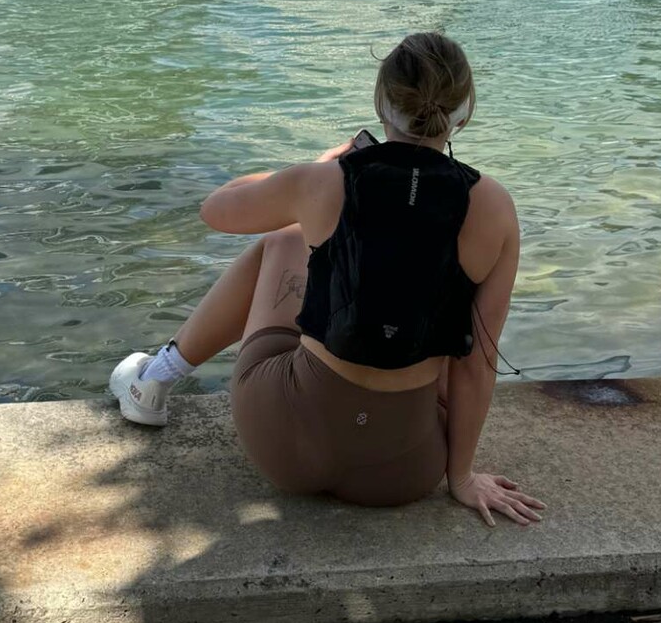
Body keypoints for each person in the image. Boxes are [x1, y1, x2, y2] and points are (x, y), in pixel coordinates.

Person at [109, 31, 543, 527]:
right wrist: (460, 477)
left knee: (285, 239)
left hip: (284, 444)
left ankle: (154, 380)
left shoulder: (324, 181)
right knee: (433, 315)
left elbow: (216, 210)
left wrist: (308, 176)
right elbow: (478, 362)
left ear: (381, 102)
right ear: (463, 112)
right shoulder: (495, 207)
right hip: (402, 471)